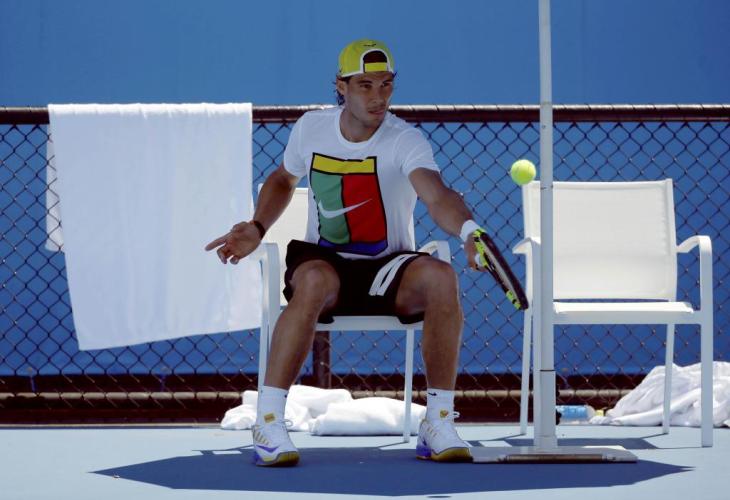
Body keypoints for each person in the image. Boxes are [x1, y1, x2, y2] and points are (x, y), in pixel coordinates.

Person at [205, 39, 489, 467]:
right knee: (313, 280)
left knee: (441, 276)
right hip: (326, 264)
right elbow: (282, 179)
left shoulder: (405, 139)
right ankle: (268, 420)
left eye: (386, 85)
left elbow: (437, 195)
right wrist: (258, 226)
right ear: (341, 86)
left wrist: (468, 229)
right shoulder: (312, 129)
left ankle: (438, 421)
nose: (378, 97)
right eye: (365, 85)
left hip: (387, 269)